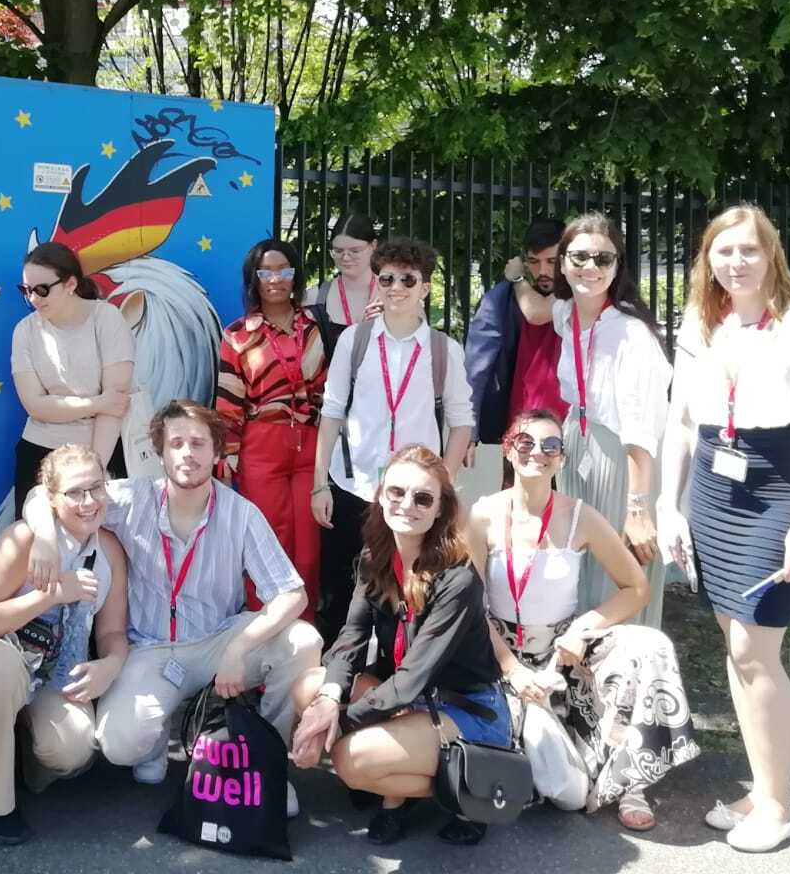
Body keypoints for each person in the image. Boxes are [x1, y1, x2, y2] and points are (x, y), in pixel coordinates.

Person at [657, 204, 790, 852]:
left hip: (779, 487)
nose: (735, 262)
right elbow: (682, 422)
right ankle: (767, 787)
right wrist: (669, 505)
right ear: (707, 258)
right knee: (737, 647)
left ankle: (778, 808)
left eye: (748, 249)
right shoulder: (701, 321)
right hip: (714, 489)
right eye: (723, 250)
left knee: (752, 647)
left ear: (772, 253)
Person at [21, 400, 322, 814]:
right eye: (176, 443)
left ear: (216, 453)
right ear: (159, 451)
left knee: (303, 640)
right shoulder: (131, 498)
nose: (187, 454)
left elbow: (293, 594)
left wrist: (238, 648)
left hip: (218, 641)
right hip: (151, 649)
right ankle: (161, 727)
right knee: (119, 746)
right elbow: (41, 493)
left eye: (198, 443)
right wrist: (44, 537)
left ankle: (267, 762)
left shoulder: (241, 514)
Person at [466, 409, 698, 831]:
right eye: (525, 443)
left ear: (562, 459)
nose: (537, 452)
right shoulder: (482, 516)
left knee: (651, 646)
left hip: (565, 654)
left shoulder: (580, 516)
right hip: (500, 655)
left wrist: (582, 628)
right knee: (559, 786)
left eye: (551, 445)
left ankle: (631, 782)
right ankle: (547, 757)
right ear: (509, 451)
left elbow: (636, 588)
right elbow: (469, 606)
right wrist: (513, 669)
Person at [290, 444, 506, 848]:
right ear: (381, 495)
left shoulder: (458, 579)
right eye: (396, 492)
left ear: (440, 510)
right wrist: (327, 702)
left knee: (350, 760)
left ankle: (467, 789)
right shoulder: (374, 557)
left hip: (464, 707)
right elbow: (351, 640)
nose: (407, 505)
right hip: (409, 696)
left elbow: (410, 681)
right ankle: (394, 781)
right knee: (309, 687)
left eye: (423, 498)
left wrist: (337, 724)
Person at [0, 444, 131, 844]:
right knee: (1, 673)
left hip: (54, 670)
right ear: (52, 498)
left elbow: (112, 631)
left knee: (72, 749)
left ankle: (16, 752)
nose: (88, 502)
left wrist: (110, 664)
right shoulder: (24, 540)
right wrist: (50, 595)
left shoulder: (108, 549)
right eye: (74, 493)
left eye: (96, 488)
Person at [313, 237, 473, 642]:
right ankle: (335, 675)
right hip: (353, 485)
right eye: (387, 279)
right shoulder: (354, 339)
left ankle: (396, 670)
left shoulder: (444, 350)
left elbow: (461, 423)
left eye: (407, 279)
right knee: (338, 593)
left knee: (407, 592)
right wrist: (319, 485)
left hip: (413, 496)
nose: (396, 287)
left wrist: (442, 487)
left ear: (425, 287)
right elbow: (331, 412)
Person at [550, 212, 671, 628]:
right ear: (563, 262)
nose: (591, 267)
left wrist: (638, 508)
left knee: (617, 573)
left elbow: (641, 427)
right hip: (576, 446)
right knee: (578, 566)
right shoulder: (565, 314)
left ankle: (622, 667)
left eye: (603, 259)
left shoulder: (632, 333)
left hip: (623, 459)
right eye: (580, 257)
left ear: (618, 266)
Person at [216, 238, 326, 616]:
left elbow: (329, 393)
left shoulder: (314, 327)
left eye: (284, 270)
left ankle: (304, 634)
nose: (276, 279)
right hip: (261, 446)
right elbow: (228, 404)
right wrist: (227, 459)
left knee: (309, 551)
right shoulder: (237, 336)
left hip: (310, 444)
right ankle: (262, 635)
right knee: (267, 545)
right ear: (254, 279)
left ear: (295, 276)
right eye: (266, 273)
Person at [11, 241, 135, 517]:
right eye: (26, 290)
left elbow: (115, 405)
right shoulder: (24, 331)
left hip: (103, 452)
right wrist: (98, 402)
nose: (33, 299)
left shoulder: (106, 318)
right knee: (36, 537)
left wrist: (94, 474)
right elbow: (34, 405)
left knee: (103, 539)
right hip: (40, 453)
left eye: (42, 289)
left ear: (70, 284)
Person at [462, 216, 565, 502]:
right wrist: (469, 428)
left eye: (551, 261)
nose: (543, 271)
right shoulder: (502, 299)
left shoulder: (579, 293)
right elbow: (476, 366)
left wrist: (518, 278)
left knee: (571, 515)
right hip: (522, 425)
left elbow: (537, 313)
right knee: (519, 507)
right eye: (534, 261)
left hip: (574, 428)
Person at [304, 212, 381, 350]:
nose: (345, 258)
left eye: (355, 251)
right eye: (338, 251)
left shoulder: (395, 294)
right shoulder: (315, 298)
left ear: (373, 246)